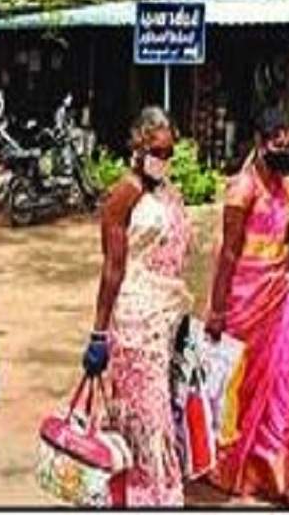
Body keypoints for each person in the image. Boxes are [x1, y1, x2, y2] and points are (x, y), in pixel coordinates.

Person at [205, 112, 289, 505]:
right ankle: (231, 467)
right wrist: (217, 310)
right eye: (278, 141)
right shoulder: (241, 189)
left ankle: (275, 475)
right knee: (242, 386)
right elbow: (229, 252)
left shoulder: (283, 184)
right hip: (244, 301)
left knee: (284, 379)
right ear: (259, 139)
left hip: (278, 298)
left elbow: (275, 237)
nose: (285, 148)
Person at [82, 107, 193, 506]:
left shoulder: (168, 192)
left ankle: (144, 489)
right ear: (138, 146)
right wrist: (98, 332)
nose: (162, 160)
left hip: (165, 317)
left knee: (156, 406)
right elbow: (112, 268)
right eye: (156, 151)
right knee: (146, 410)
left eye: (169, 153)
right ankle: (148, 494)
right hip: (133, 318)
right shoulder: (123, 193)